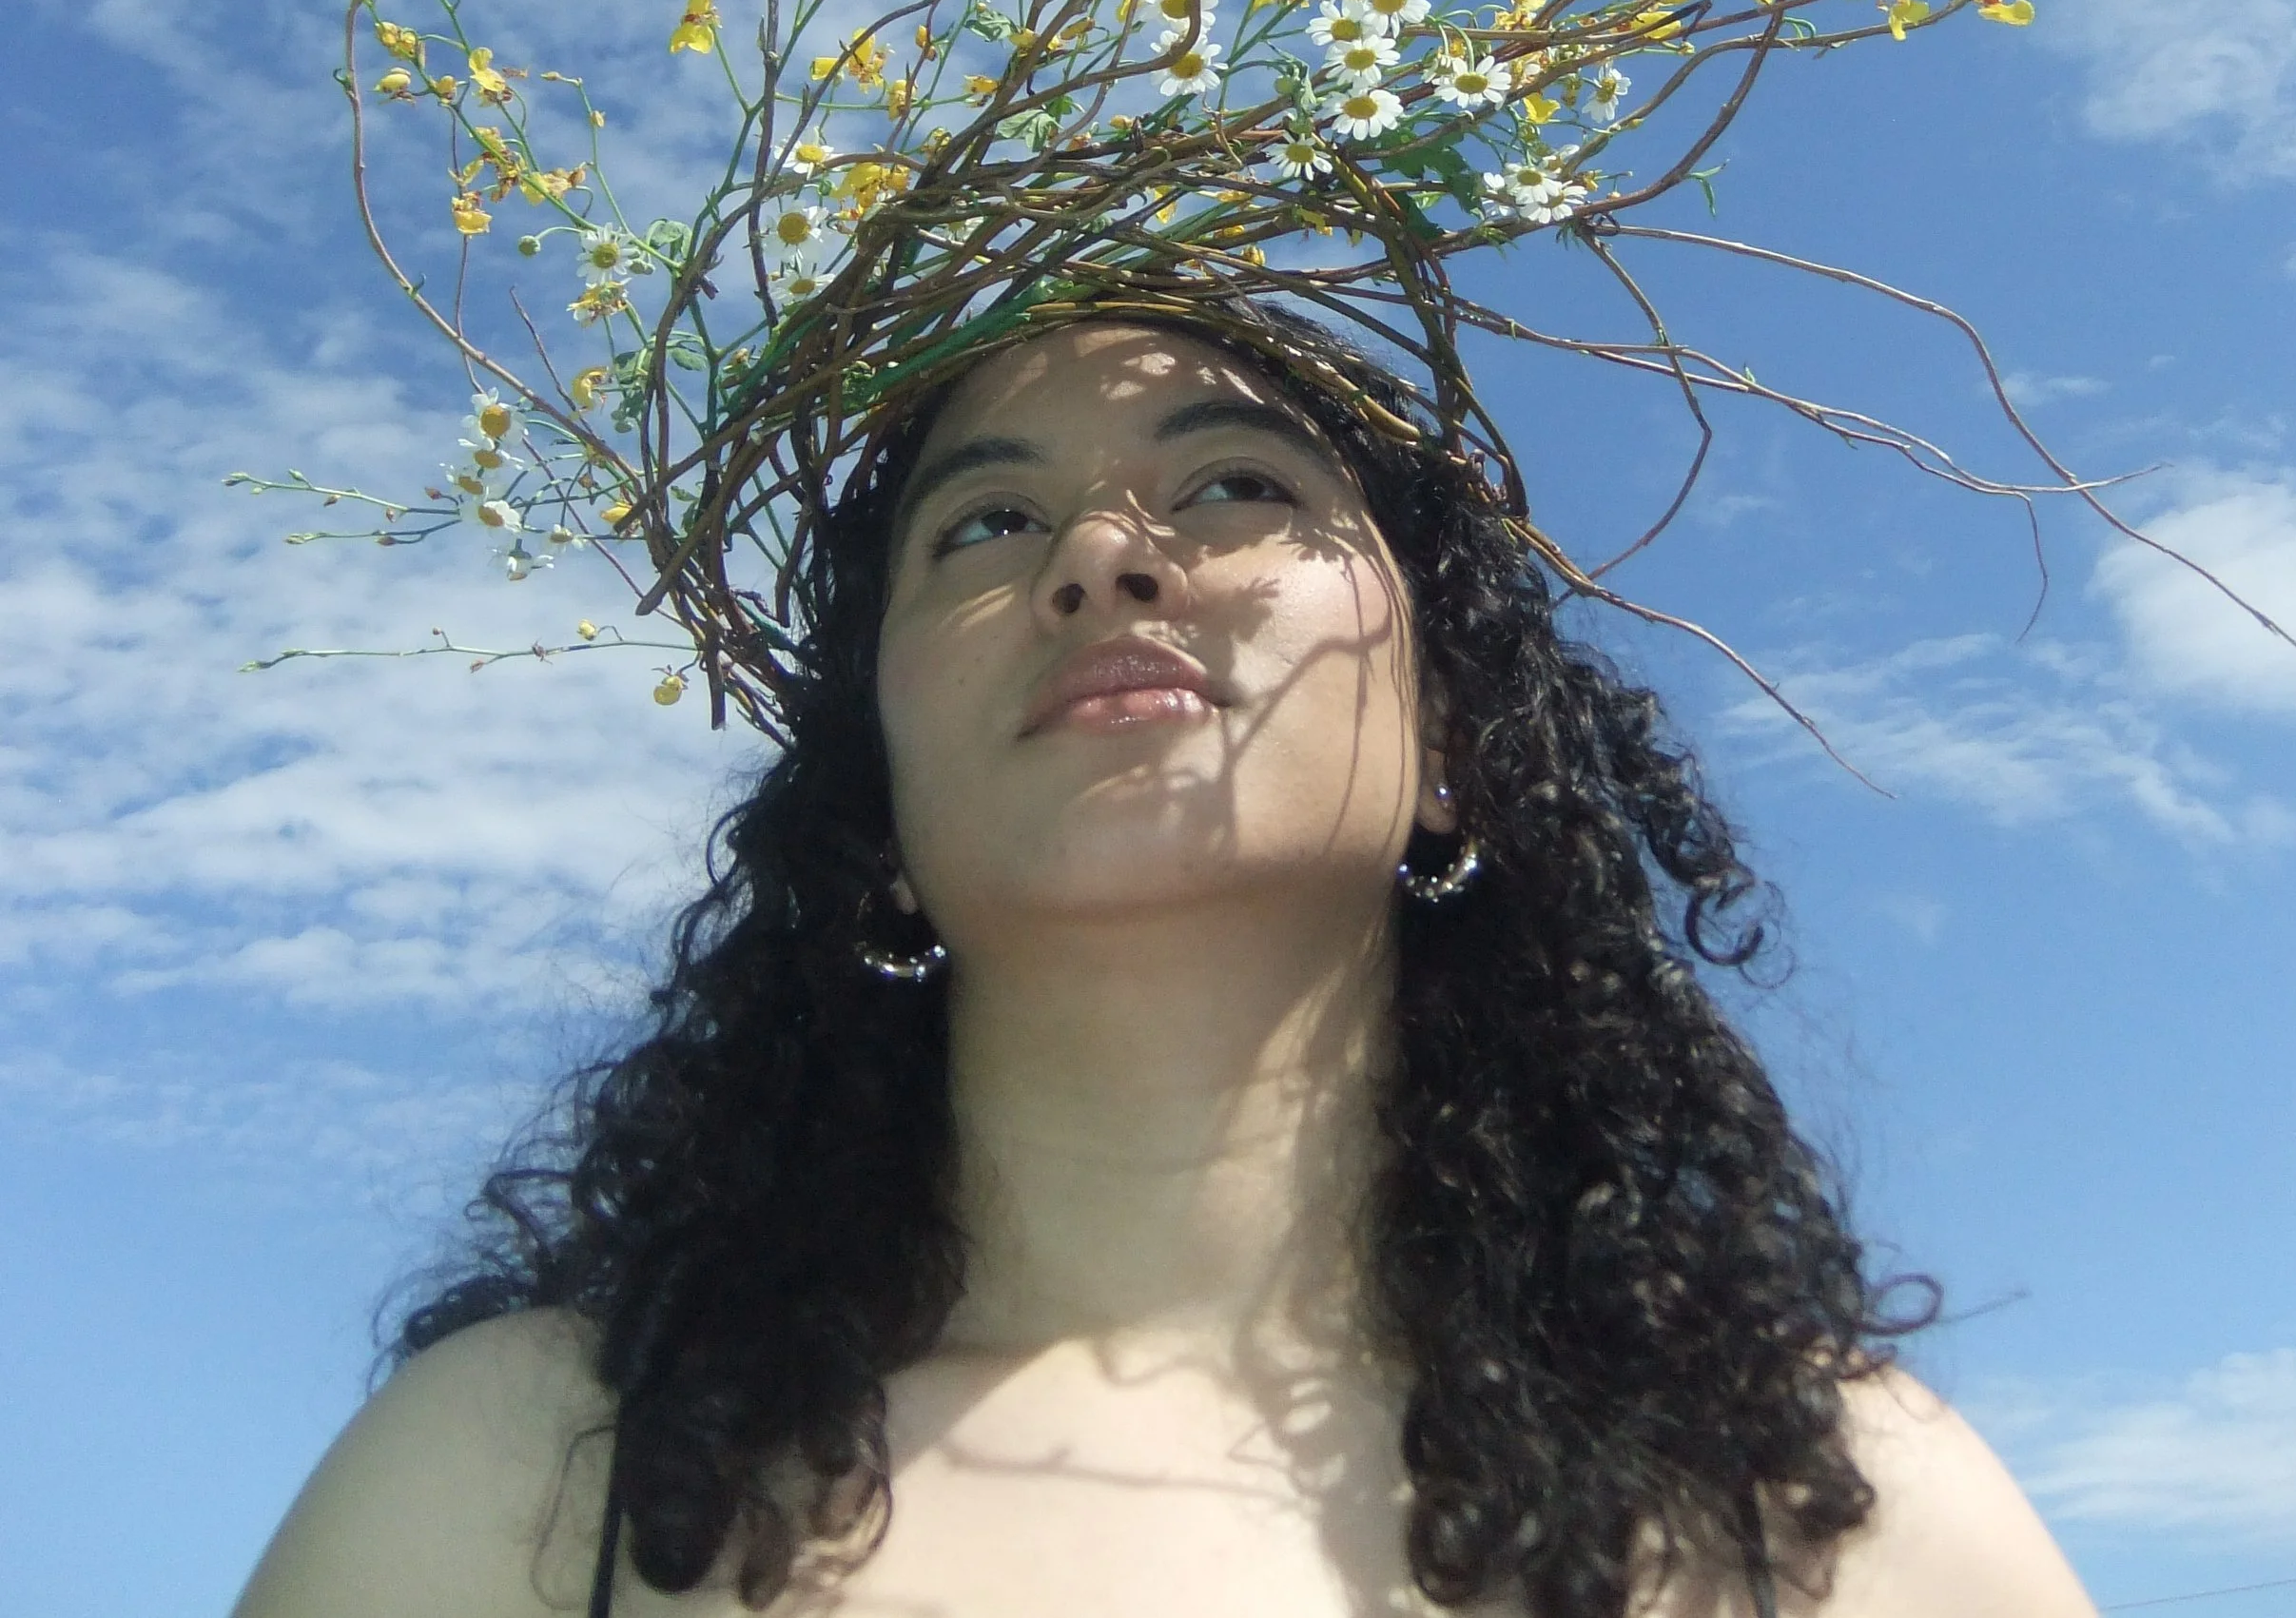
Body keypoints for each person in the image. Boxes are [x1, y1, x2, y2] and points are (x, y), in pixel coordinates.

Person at [232, 303, 2095, 1617]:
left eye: (1230, 488)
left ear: (1452, 751)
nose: (1106, 554)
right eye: (985, 522)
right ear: (870, 820)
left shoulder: (1826, 1504)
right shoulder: (530, 1477)